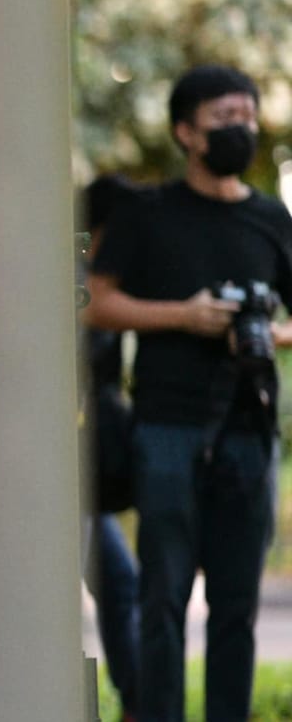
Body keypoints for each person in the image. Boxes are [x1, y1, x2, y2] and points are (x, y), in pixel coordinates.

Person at [86, 65, 292, 722]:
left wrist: (269, 332)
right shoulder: (147, 214)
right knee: (163, 600)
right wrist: (184, 315)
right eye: (224, 118)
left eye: (248, 116)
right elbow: (98, 301)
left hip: (251, 429)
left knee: (237, 606)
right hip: (165, 429)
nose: (241, 129)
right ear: (186, 131)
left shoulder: (271, 218)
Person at [81, 173, 147, 722]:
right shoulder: (75, 281)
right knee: (118, 581)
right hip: (57, 461)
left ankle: (137, 703)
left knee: (120, 582)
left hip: (89, 460)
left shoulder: (107, 276)